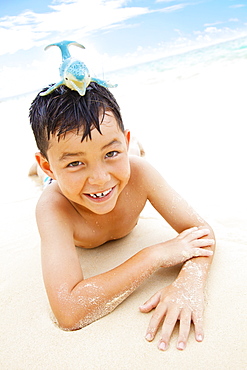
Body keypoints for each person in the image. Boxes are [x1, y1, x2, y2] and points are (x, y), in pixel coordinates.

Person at [29, 82, 215, 351]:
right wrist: (153, 256)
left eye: (111, 152)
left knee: (134, 162)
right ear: (50, 163)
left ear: (122, 143)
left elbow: (202, 232)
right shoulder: (53, 207)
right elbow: (69, 312)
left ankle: (122, 150)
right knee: (42, 179)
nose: (100, 178)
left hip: (130, 161)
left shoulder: (139, 175)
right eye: (74, 163)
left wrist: (189, 281)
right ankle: (39, 170)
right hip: (54, 183)